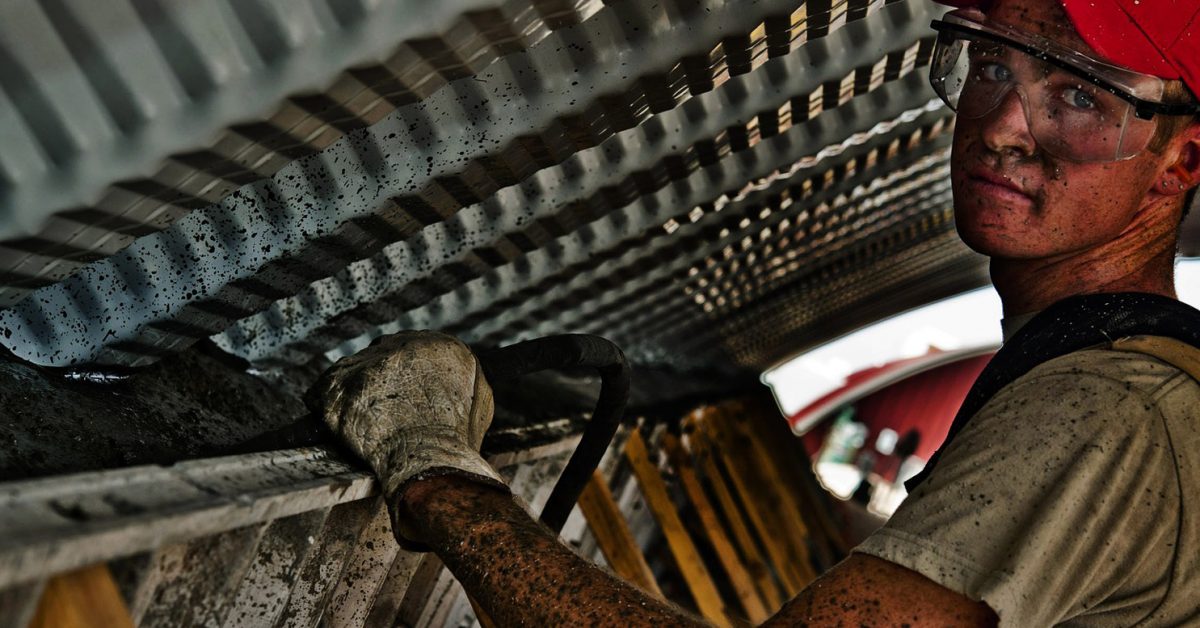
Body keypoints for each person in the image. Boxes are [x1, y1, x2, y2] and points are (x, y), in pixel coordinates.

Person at [310, 0, 1200, 624]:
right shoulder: (1124, 385)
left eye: (1082, 96)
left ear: (1179, 161)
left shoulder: (1106, 413)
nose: (1003, 124)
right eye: (993, 63)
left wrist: (434, 473)